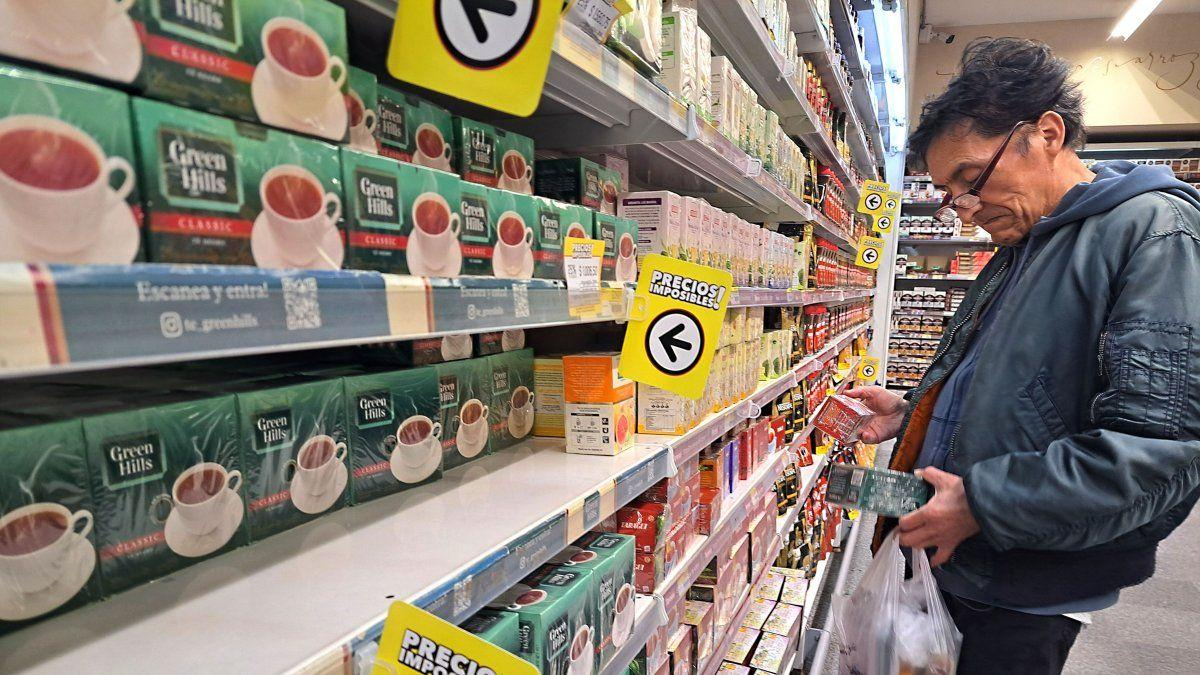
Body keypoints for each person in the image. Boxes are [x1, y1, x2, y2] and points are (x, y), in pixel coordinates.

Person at [847, 37, 1200, 674]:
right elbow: (1018, 385)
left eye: (970, 179)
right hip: (965, 566)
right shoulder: (1026, 242)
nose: (965, 210)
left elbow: (1158, 451)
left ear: (1046, 134)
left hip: (1020, 587)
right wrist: (916, 411)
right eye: (949, 192)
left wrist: (983, 503)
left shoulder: (1155, 234)